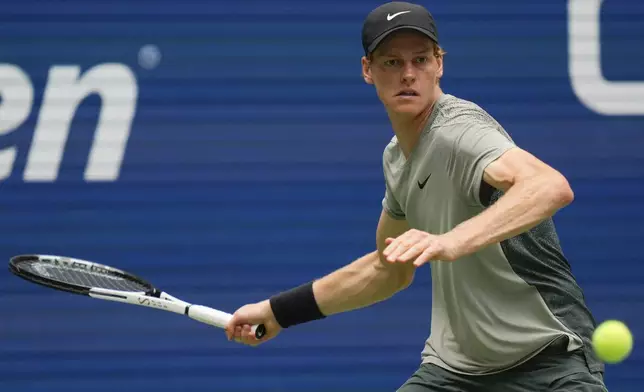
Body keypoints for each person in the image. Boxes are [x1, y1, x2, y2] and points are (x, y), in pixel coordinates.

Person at [225, 2, 608, 391]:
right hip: (454, 372)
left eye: (421, 60)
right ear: (367, 70)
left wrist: (450, 241)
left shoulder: (459, 131)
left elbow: (549, 186)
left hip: (549, 359)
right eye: (392, 62)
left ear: (439, 64)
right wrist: (278, 311)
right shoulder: (396, 158)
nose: (408, 74)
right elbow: (388, 268)